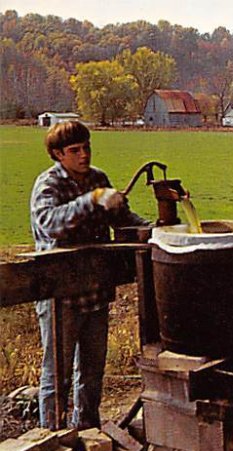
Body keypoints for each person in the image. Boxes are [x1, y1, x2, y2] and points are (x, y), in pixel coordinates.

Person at [30, 120, 150, 429]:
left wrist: (154, 229)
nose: (84, 155)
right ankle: (51, 438)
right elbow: (51, 223)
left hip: (96, 289)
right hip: (61, 296)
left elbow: (122, 217)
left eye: (87, 147)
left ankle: (87, 431)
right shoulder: (48, 185)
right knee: (57, 374)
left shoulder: (98, 178)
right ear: (58, 154)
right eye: (75, 150)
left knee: (93, 370)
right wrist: (92, 200)